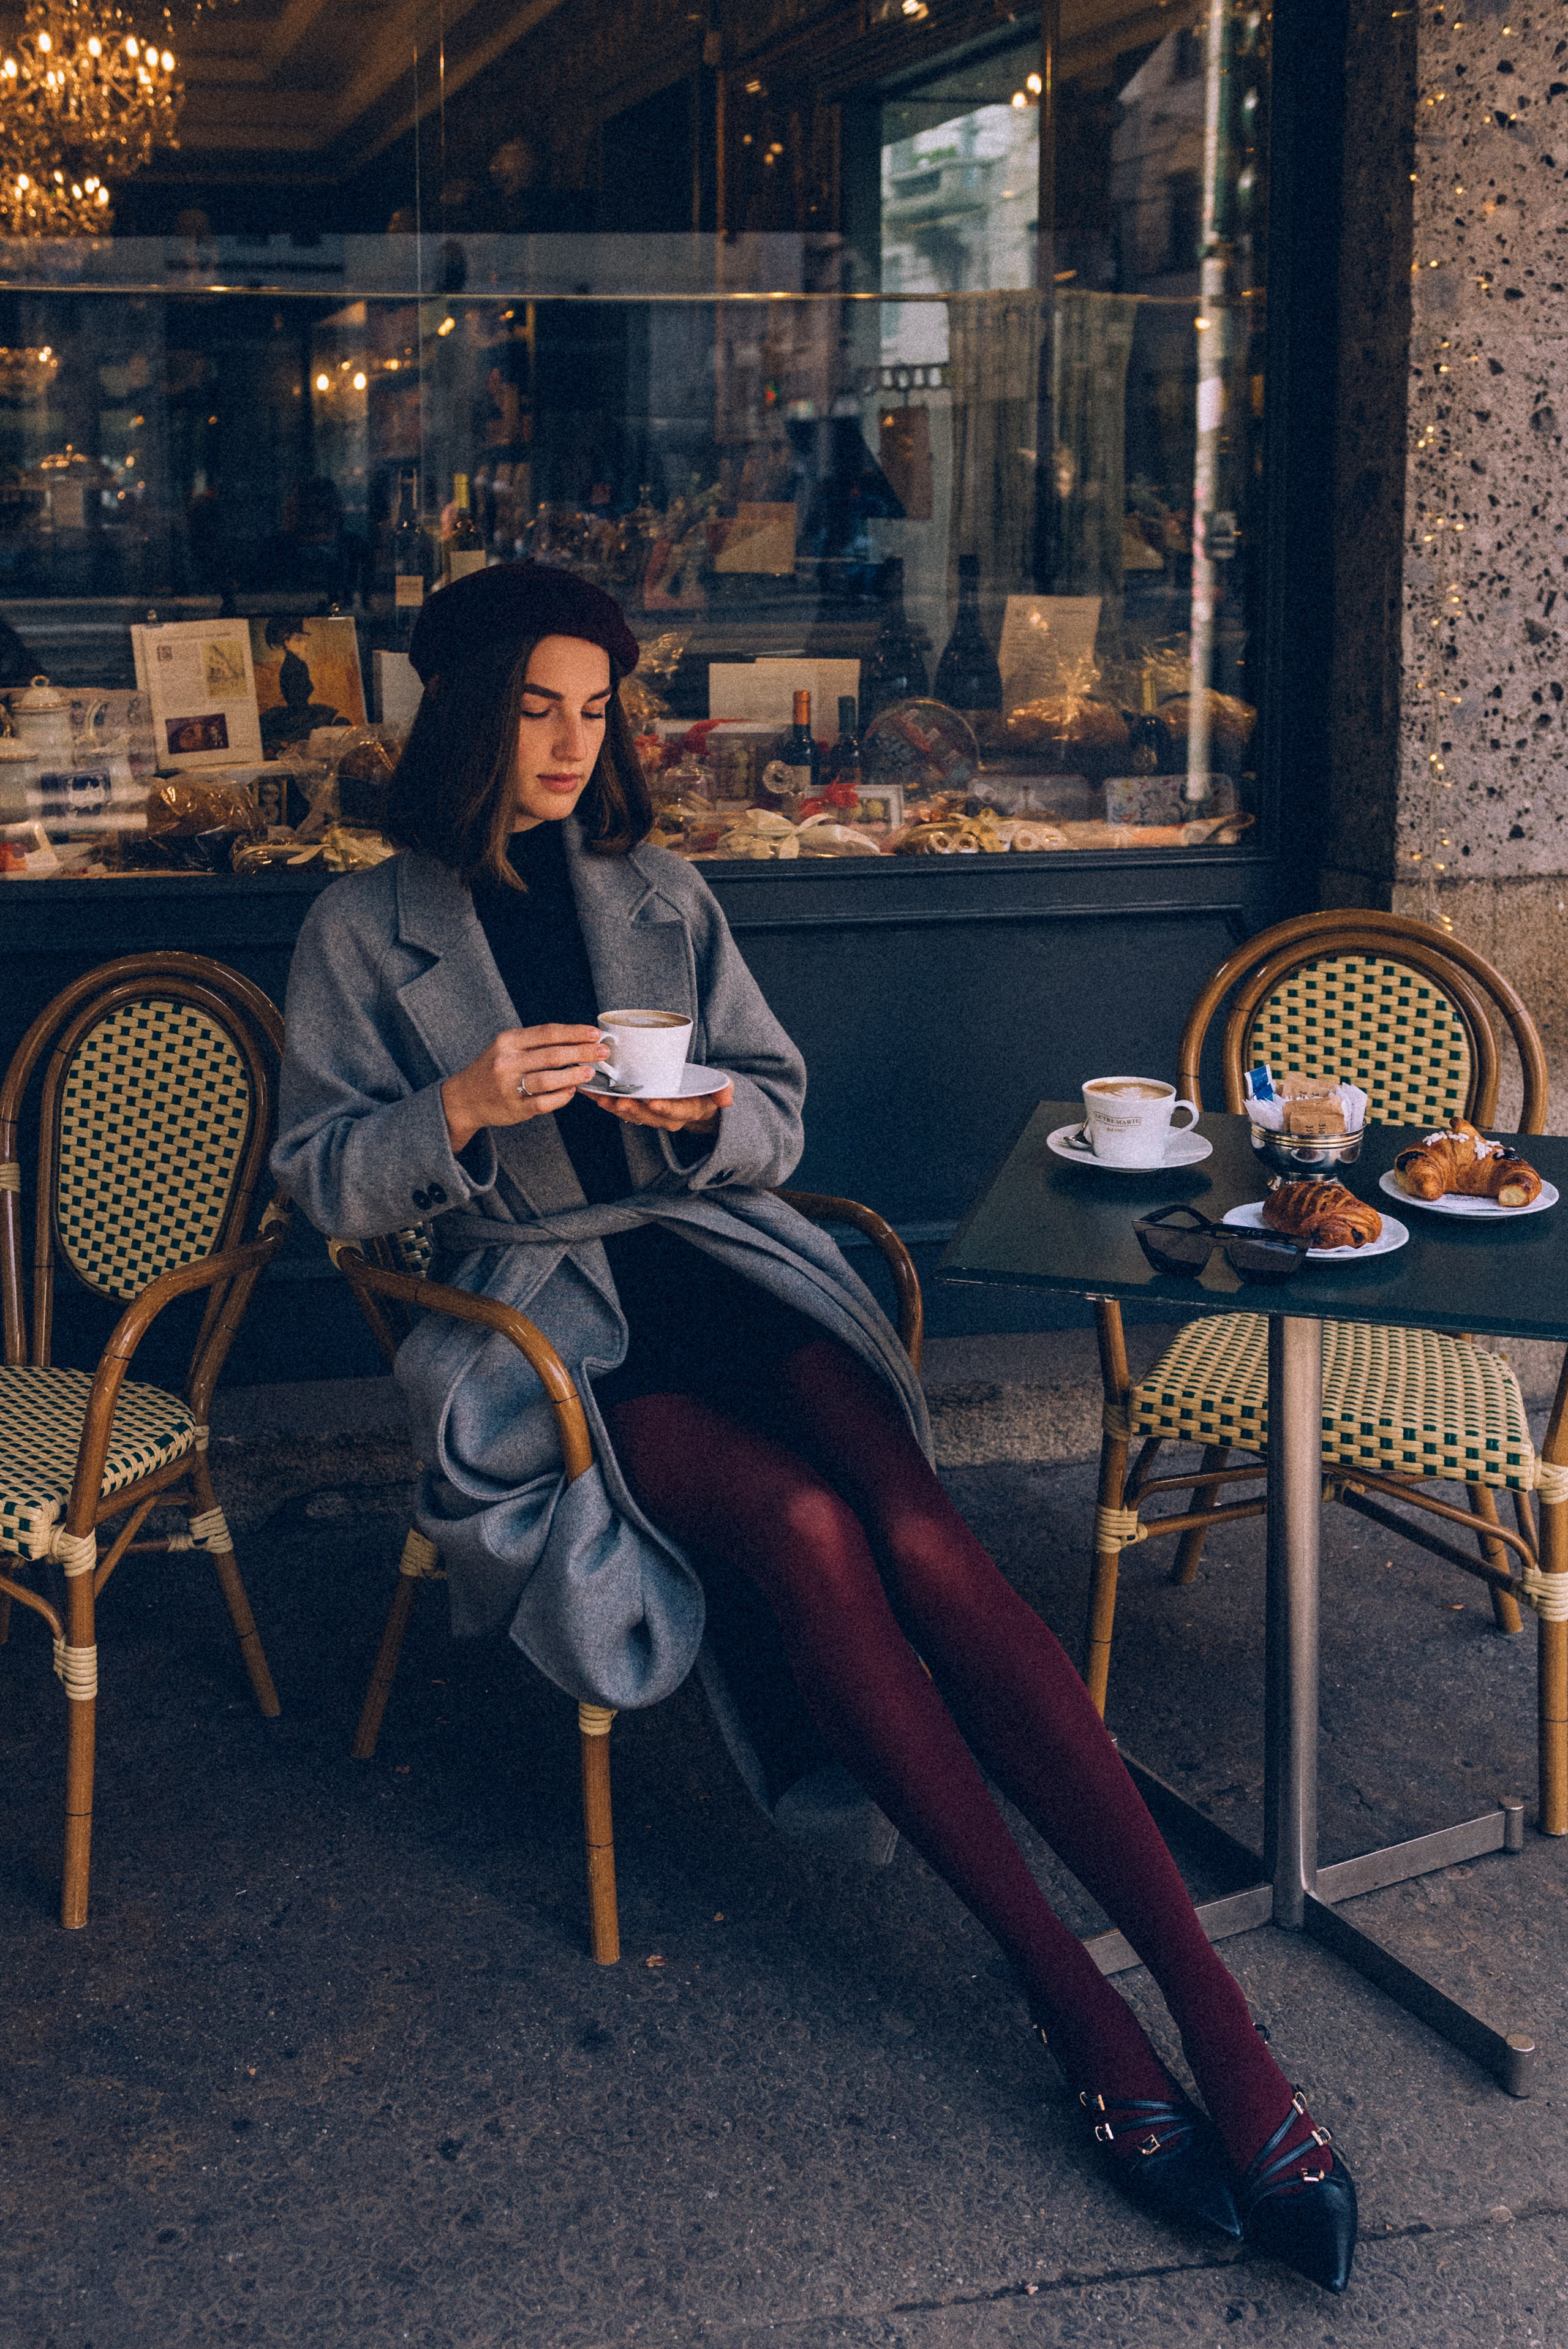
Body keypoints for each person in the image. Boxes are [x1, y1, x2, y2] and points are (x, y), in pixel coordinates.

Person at [272, 563, 1356, 2294]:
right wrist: (455, 1107)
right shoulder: (360, 930)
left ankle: (1225, 2031)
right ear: (473, 717)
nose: (571, 743)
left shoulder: (661, 888)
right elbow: (322, 1190)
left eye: (594, 708)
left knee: (924, 1531)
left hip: (732, 1270)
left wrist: (703, 1120)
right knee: (803, 1532)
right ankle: (1081, 2012)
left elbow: (775, 1105)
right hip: (556, 1325)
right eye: (536, 707)